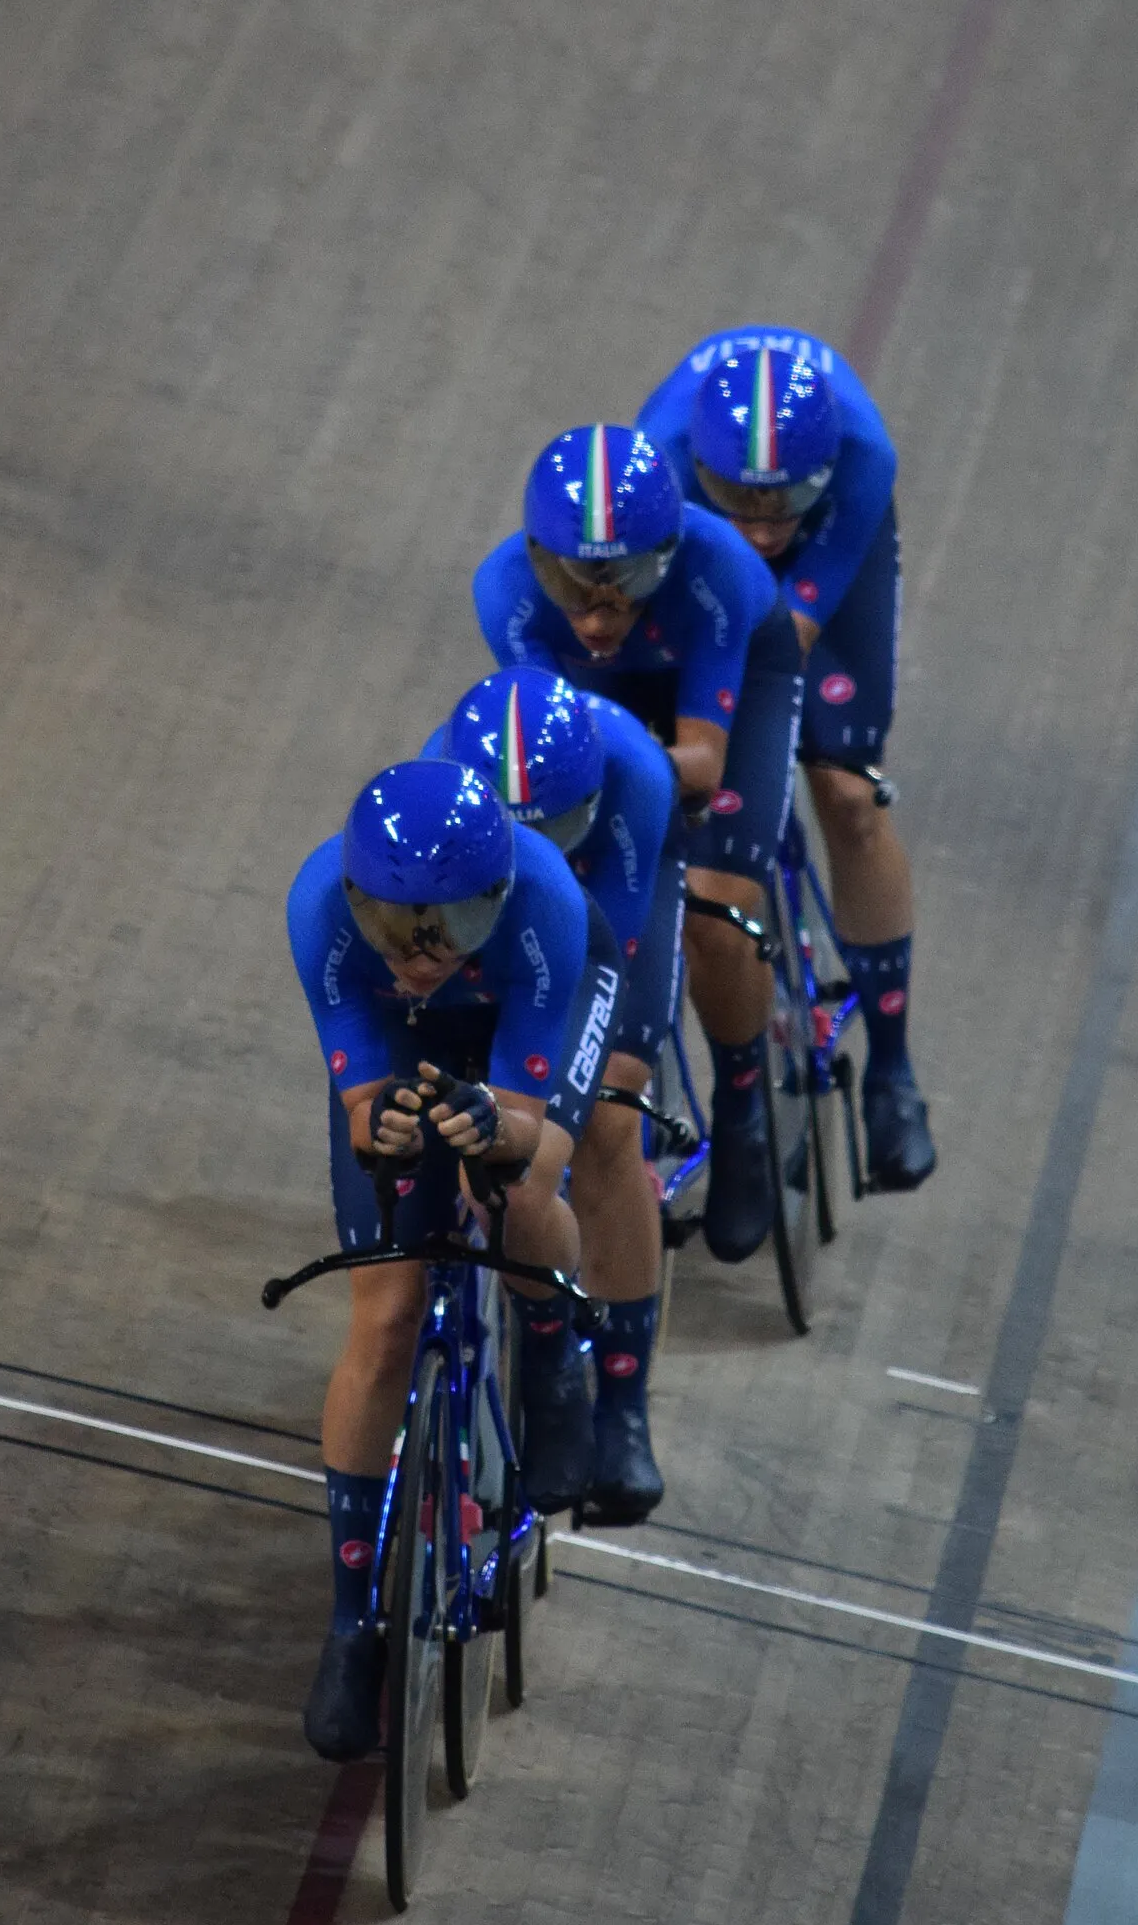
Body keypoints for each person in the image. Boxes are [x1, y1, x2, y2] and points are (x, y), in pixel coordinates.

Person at [285, 757, 620, 1760]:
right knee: (384, 1320)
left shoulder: (543, 906)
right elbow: (358, 1107)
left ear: (495, 895)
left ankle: (555, 1359)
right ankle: (351, 1623)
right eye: (396, 928)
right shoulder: (318, 911)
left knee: (521, 1188)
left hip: (524, 1009)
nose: (423, 954)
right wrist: (379, 1130)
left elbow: (531, 1132)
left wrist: (495, 1129)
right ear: (355, 897)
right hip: (405, 1042)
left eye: (448, 927)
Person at [473, 424, 803, 1266]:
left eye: (622, 585)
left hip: (719, 696)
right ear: (537, 558)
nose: (593, 613)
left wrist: (637, 779)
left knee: (719, 913)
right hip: (599, 714)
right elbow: (544, 752)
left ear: (667, 552)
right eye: (572, 586)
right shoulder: (506, 591)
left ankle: (743, 1116)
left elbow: (701, 763)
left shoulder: (717, 569)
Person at [638, 327, 934, 1191]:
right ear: (703, 467)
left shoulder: (861, 455)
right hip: (691, 567)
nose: (764, 530)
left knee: (847, 795)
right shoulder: (661, 460)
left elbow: (780, 640)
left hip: (836, 554)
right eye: (741, 500)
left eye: (782, 506)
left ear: (823, 470)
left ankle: (893, 1070)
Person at [426, 666, 681, 1524]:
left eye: (554, 828)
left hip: (592, 916)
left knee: (608, 1113)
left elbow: (592, 961)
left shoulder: (634, 784)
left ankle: (622, 1408)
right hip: (482, 918)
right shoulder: (444, 789)